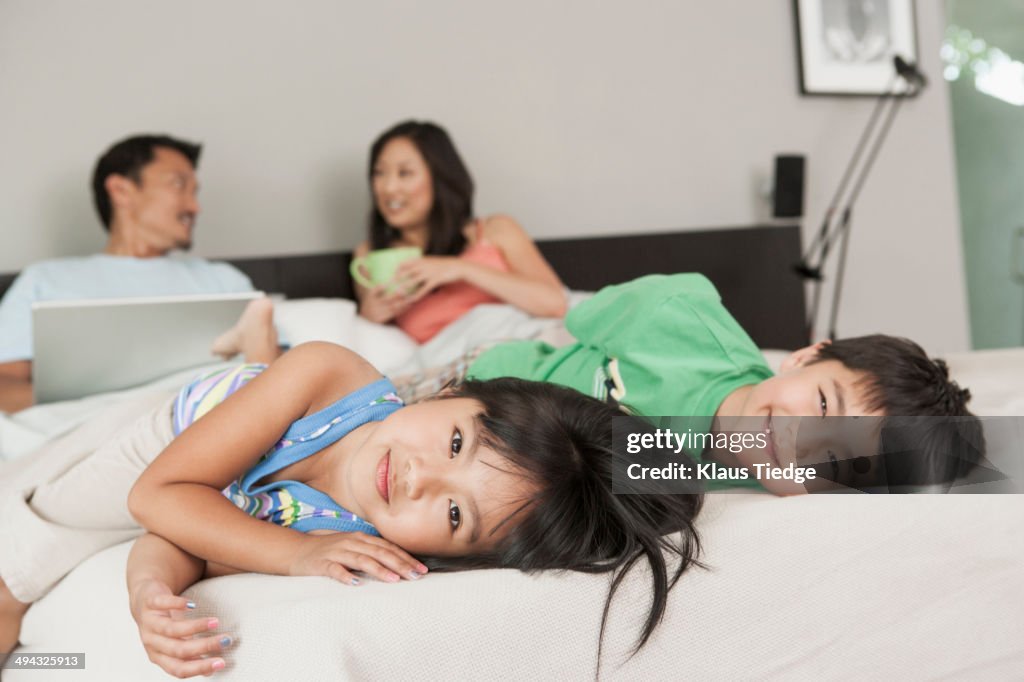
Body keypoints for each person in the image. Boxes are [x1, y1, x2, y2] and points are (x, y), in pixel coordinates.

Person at [0, 341, 702, 677]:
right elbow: (157, 496)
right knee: (18, 572)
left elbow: (185, 536)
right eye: (456, 440)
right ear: (457, 395)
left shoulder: (362, 535)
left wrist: (149, 589)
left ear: (452, 557)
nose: (422, 480)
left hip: (185, 492)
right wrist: (296, 555)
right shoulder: (328, 374)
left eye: (456, 517)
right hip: (156, 443)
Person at [397, 273, 985, 494]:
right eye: (823, 403)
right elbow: (573, 317)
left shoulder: (747, 485)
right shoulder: (678, 310)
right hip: (479, 372)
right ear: (805, 356)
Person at [0, 134, 255, 413]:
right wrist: (112, 409)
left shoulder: (225, 282)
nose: (195, 207)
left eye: (195, 192)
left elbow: (273, 375)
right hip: (92, 435)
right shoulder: (44, 281)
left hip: (206, 426)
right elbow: (5, 385)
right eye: (179, 185)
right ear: (121, 191)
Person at [354, 120, 567, 342]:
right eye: (379, 173)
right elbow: (379, 345)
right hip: (456, 368)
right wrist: (368, 316)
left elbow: (555, 304)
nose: (389, 188)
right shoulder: (370, 256)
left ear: (440, 178)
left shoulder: (495, 230)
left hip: (524, 345)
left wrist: (461, 269)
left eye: (405, 173)